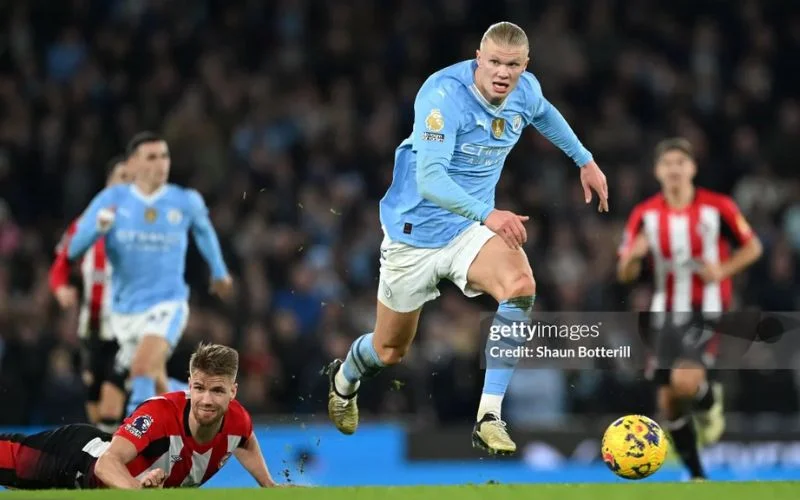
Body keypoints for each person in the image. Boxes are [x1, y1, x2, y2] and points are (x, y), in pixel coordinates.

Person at [323, 21, 609, 456]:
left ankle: (489, 415)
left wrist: (584, 160)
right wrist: (489, 214)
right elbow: (432, 179)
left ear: (524, 66)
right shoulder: (442, 97)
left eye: (512, 65)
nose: (502, 72)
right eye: (494, 61)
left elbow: (545, 113)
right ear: (479, 57)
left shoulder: (525, 90)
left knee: (521, 286)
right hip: (413, 237)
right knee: (390, 350)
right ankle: (344, 381)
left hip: (467, 231)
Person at [617, 137, 763, 479]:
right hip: (664, 312)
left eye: (680, 163)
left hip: (707, 309)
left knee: (684, 382)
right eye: (667, 164)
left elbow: (752, 247)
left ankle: (711, 405)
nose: (674, 170)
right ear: (657, 171)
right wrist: (633, 257)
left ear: (693, 168)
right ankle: (698, 477)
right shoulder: (645, 214)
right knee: (668, 403)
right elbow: (625, 273)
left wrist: (722, 270)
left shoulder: (718, 207)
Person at [67, 131, 233, 423]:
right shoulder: (111, 200)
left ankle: (140, 440)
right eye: (152, 157)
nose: (161, 163)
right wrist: (98, 228)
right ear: (133, 164)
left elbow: (204, 232)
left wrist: (219, 271)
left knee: (142, 368)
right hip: (123, 312)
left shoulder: (184, 200)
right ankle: (193, 400)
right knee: (150, 378)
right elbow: (74, 247)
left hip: (168, 305)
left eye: (165, 156)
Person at [0, 343, 282, 489]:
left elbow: (246, 440)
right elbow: (105, 464)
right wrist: (137, 489)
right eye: (199, 388)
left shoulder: (238, 420)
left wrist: (268, 484)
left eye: (217, 391)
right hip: (73, 459)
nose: (206, 400)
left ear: (233, 392)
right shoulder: (159, 414)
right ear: (189, 384)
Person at [49, 155, 132, 430]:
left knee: (112, 401)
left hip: (128, 327)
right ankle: (106, 459)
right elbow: (61, 262)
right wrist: (61, 288)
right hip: (92, 327)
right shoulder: (86, 224)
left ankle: (114, 462)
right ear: (109, 184)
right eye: (122, 178)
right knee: (96, 409)